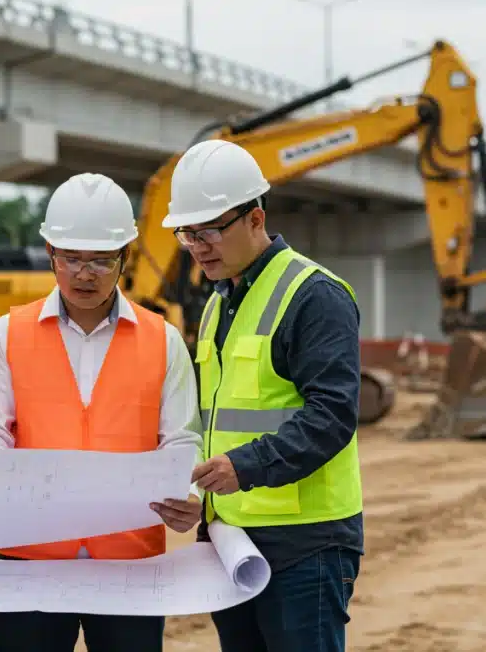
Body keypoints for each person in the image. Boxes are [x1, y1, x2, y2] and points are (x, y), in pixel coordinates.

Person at [0, 172, 203, 652]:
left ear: (125, 258)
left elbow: (181, 438)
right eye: (71, 258)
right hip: (30, 560)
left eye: (100, 260)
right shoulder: (8, 334)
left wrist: (188, 491)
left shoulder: (164, 340)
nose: (84, 273)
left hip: (129, 565)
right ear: (51, 252)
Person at [162, 139, 364, 652]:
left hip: (304, 544)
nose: (198, 245)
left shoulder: (314, 295)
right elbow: (214, 422)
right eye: (188, 233)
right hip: (232, 541)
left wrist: (244, 467)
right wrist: (195, 493)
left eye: (210, 230)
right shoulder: (216, 304)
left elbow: (333, 415)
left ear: (254, 217)